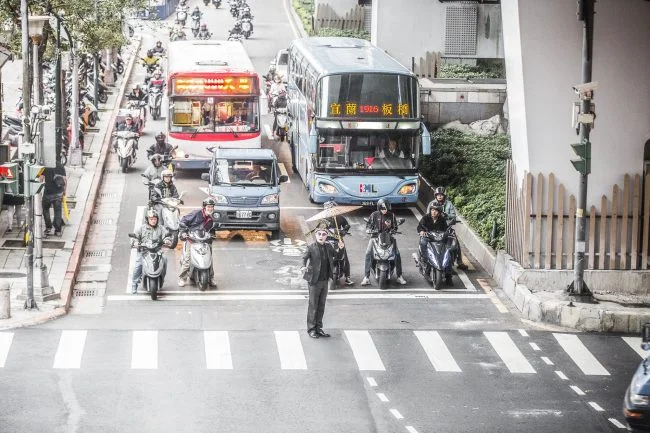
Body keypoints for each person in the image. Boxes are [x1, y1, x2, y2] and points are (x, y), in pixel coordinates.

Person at [301, 226, 344, 338]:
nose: (321, 236)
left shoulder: (329, 247)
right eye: (319, 234)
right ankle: (311, 329)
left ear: (326, 236)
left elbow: (338, 256)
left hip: (324, 281)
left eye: (323, 234)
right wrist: (303, 266)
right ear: (316, 235)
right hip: (314, 281)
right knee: (313, 305)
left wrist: (341, 248)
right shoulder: (311, 247)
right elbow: (304, 258)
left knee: (321, 305)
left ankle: (318, 328)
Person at [360, 199, 406, 286]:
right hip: (375, 237)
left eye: (386, 208)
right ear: (379, 208)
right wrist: (369, 230)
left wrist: (394, 230)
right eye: (383, 208)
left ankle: (399, 276)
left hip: (389, 237)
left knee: (397, 254)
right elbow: (368, 225)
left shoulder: (391, 215)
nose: (384, 210)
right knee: (368, 253)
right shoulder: (374, 215)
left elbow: (395, 227)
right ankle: (366, 277)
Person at [178, 198, 217, 287]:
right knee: (187, 259)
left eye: (212, 207)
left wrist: (212, 235)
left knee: (209, 258)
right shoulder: (196, 213)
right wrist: (184, 232)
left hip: (204, 241)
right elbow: (183, 220)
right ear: (204, 207)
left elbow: (212, 230)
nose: (210, 208)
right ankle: (182, 278)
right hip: (192, 240)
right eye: (208, 206)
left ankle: (211, 278)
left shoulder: (211, 219)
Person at [131, 208, 170, 294]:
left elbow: (167, 235)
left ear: (157, 219)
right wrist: (136, 242)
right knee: (138, 264)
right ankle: (134, 284)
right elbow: (135, 237)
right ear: (147, 220)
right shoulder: (142, 228)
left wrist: (167, 240)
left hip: (157, 251)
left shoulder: (161, 228)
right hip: (144, 251)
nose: (153, 221)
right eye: (151, 219)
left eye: (154, 219)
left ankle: (161, 277)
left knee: (165, 260)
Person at [431, 186, 468, 270]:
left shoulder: (449, 204)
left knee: (455, 243)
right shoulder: (432, 204)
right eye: (438, 195)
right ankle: (426, 259)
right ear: (435, 196)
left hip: (447, 228)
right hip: (434, 228)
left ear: (444, 195)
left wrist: (446, 215)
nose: (440, 196)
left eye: (441, 195)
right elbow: (427, 215)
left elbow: (453, 216)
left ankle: (459, 262)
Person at [322, 200, 354, 286]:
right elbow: (320, 229)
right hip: (327, 240)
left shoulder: (340, 218)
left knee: (345, 257)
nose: (330, 211)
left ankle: (347, 277)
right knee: (319, 255)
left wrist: (344, 230)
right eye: (328, 209)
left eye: (332, 209)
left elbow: (347, 226)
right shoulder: (323, 219)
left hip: (338, 240)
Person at [417, 202, 448, 269]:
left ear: (439, 212)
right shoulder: (425, 218)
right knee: (423, 242)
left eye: (436, 211)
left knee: (448, 246)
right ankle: (424, 258)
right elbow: (420, 226)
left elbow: (446, 229)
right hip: (428, 237)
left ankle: (447, 265)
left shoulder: (442, 220)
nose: (433, 212)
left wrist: (448, 233)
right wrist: (421, 231)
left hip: (439, 238)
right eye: (432, 210)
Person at [41, 163, 67, 237]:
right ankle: (58, 231)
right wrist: (64, 191)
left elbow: (41, 179)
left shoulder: (46, 166)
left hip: (48, 193)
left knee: (45, 209)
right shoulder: (60, 166)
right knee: (58, 212)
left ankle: (48, 227)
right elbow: (64, 180)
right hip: (58, 193)